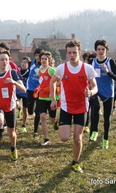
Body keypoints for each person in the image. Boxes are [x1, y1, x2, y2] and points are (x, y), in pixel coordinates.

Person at [50, 40, 97, 173]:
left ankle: (75, 162)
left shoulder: (88, 69)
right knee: (64, 138)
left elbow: (95, 87)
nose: (72, 55)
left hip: (82, 107)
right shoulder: (61, 68)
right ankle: (61, 122)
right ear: (66, 54)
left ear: (79, 53)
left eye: (74, 52)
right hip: (66, 107)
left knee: (77, 138)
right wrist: (53, 99)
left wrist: (91, 92)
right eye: (69, 53)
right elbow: (52, 82)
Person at [89, 40, 116, 149]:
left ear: (106, 50)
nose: (101, 51)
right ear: (96, 50)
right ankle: (94, 131)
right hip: (96, 91)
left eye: (103, 49)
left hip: (108, 93)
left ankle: (105, 138)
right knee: (95, 108)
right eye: (99, 49)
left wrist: (108, 72)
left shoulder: (110, 62)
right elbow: (88, 75)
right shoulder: (92, 62)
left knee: (107, 117)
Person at [35, 52, 56, 146]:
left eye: (45, 59)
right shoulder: (38, 71)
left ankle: (55, 122)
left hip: (51, 98)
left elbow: (59, 81)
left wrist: (51, 89)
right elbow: (41, 82)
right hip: (41, 97)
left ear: (49, 60)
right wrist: (38, 88)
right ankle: (46, 138)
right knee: (42, 117)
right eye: (42, 58)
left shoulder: (51, 70)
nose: (43, 60)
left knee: (52, 118)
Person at [27, 48, 44, 136]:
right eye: (36, 55)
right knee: (30, 111)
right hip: (30, 88)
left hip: (39, 90)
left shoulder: (43, 66)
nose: (37, 57)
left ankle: (35, 130)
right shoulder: (31, 63)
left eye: (39, 55)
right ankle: (34, 112)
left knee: (38, 111)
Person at [17, 57, 30, 133]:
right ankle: (19, 108)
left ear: (28, 64)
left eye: (25, 62)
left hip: (26, 93)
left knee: (25, 110)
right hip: (18, 92)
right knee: (15, 104)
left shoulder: (29, 72)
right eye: (22, 62)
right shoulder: (17, 71)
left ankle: (23, 125)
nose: (23, 64)